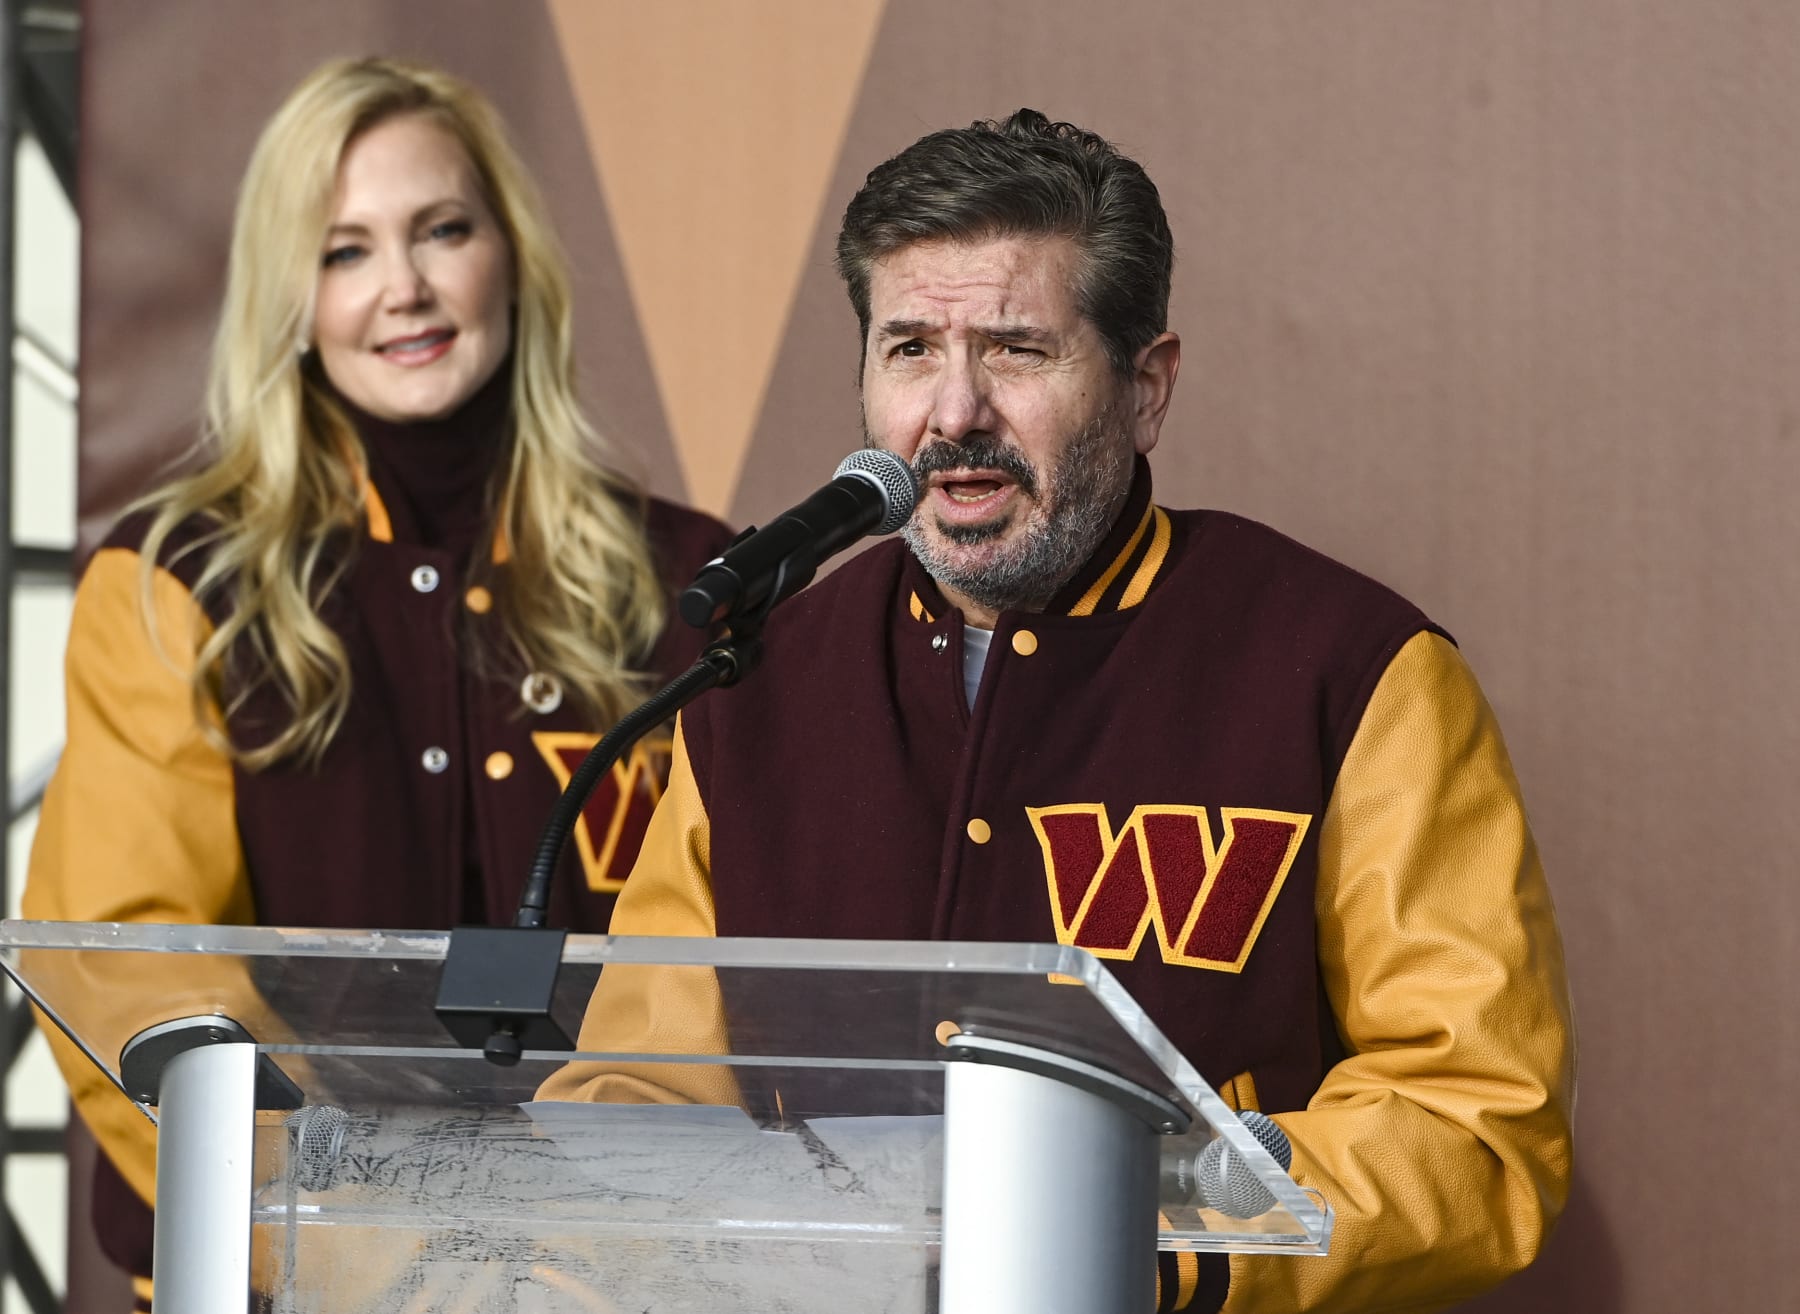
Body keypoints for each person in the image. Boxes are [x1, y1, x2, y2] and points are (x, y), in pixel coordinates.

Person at [540, 110, 1576, 1313]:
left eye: (1019, 349)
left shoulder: (1346, 672)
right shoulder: (755, 690)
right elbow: (639, 1094)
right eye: (911, 348)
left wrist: (1132, 1240)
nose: (956, 411)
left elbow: (1474, 1120)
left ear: (1146, 388)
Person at [23, 56, 733, 1308]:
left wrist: (588, 1256)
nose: (403, 288)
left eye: (442, 230)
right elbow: (134, 974)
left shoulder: (693, 580)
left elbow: (711, 974)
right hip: (283, 1277)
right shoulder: (169, 582)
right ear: (287, 295)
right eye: (344, 250)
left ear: (510, 254)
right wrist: (354, 1247)